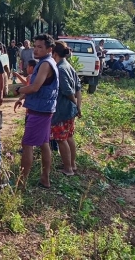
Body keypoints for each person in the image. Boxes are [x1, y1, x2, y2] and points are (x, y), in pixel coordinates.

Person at [13, 34, 58, 188]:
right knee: (44, 143)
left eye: (40, 47)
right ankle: (45, 178)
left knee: (27, 144)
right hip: (44, 109)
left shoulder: (46, 64)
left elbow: (35, 87)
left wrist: (19, 90)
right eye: (35, 46)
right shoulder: (46, 62)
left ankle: (21, 182)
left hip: (40, 110)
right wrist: (23, 96)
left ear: (49, 49)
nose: (36, 50)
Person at [51, 41, 82, 176]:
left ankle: (68, 169)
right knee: (69, 137)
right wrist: (78, 106)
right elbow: (78, 88)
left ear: (55, 54)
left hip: (63, 110)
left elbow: (68, 91)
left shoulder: (60, 69)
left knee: (61, 139)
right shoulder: (68, 66)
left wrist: (75, 103)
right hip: (70, 110)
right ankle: (71, 164)